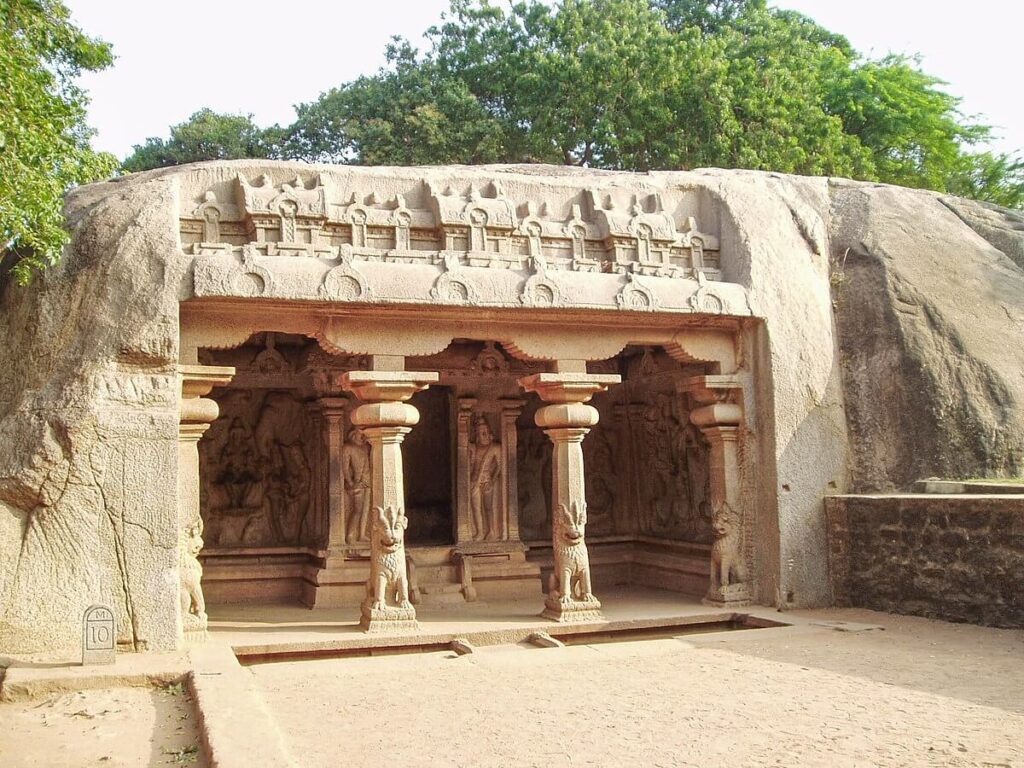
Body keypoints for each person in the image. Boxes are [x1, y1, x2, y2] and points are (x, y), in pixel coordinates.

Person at [469, 418, 503, 540]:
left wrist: (492, 481)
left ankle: (491, 531)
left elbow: (500, 466)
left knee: (488, 508)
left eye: (485, 432)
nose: (483, 435)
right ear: (476, 434)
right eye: (480, 432)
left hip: (487, 480)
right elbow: (470, 465)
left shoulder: (495, 448)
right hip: (474, 480)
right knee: (476, 508)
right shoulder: (473, 447)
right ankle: (479, 532)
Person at [343, 428, 372, 543]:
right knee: (357, 509)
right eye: (360, 434)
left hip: (367, 479)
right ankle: (350, 535)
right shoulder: (348, 447)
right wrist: (351, 483)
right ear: (354, 434)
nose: (362, 436)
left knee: (366, 509)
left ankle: (362, 534)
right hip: (357, 481)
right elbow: (345, 468)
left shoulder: (365, 447)